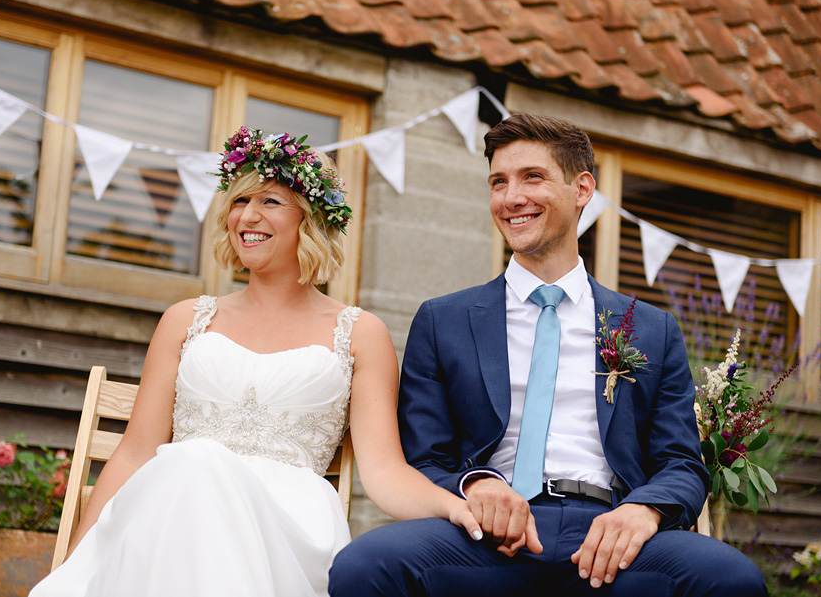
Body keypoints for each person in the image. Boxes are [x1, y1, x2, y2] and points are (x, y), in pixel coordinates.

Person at [30, 127, 481, 597]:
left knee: (196, 462)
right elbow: (137, 452)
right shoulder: (185, 319)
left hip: (285, 530)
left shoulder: (360, 333)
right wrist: (72, 563)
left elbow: (384, 472)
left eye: (269, 201)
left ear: (311, 219)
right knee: (194, 461)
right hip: (169, 509)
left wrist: (453, 504)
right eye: (239, 201)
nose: (247, 215)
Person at [329, 114, 767, 596]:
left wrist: (642, 511)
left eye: (532, 177)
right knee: (363, 566)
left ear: (582, 189)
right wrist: (475, 486)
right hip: (483, 538)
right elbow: (423, 456)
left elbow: (682, 464)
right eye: (499, 182)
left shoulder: (651, 328)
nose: (511, 197)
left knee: (733, 579)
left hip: (610, 536)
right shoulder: (442, 320)